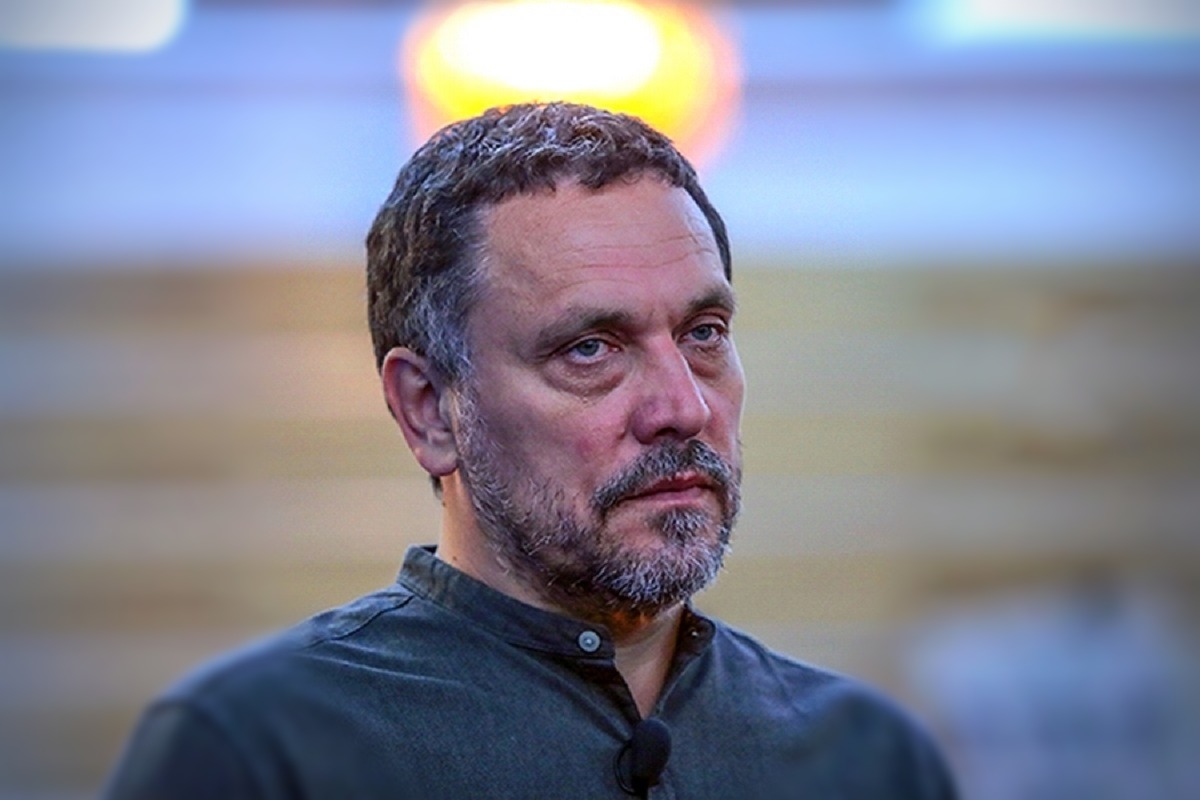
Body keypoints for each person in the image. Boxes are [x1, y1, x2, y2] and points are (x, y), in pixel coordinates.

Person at [104, 102, 956, 799]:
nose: (683, 408)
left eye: (703, 333)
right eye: (590, 348)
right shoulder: (260, 751)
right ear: (430, 410)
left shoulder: (865, 758)